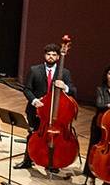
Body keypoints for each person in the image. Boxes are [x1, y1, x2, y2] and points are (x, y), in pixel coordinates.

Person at [16, 43, 76, 172]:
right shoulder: (34, 70)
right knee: (33, 135)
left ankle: (52, 162)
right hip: (36, 110)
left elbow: (73, 91)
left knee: (54, 138)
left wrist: (65, 87)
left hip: (56, 113)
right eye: (48, 54)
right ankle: (27, 160)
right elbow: (27, 89)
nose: (51, 57)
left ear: (58, 57)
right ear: (45, 55)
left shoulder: (64, 73)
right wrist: (34, 101)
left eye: (54, 55)